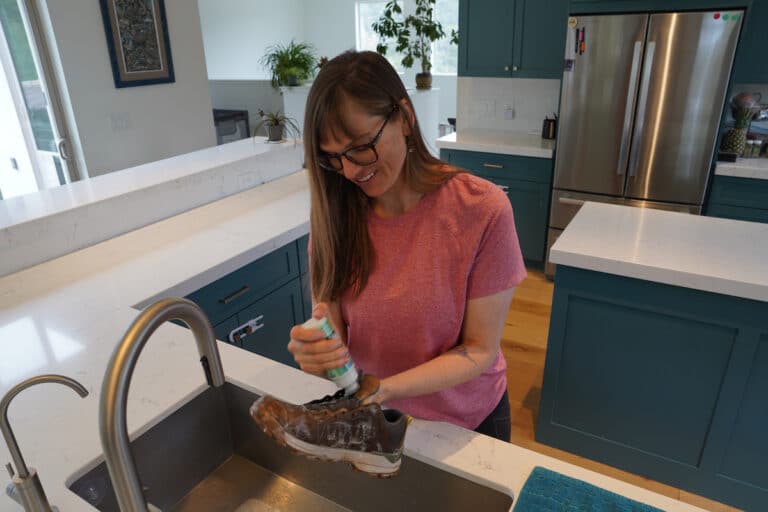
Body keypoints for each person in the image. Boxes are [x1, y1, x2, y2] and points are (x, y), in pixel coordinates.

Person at [288, 51, 526, 442]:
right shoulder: (334, 218)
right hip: (377, 421)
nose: (349, 171)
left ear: (404, 117)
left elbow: (480, 350)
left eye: (361, 146)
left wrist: (387, 388)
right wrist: (317, 352)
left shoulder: (480, 210)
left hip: (466, 426)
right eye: (332, 159)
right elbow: (336, 338)